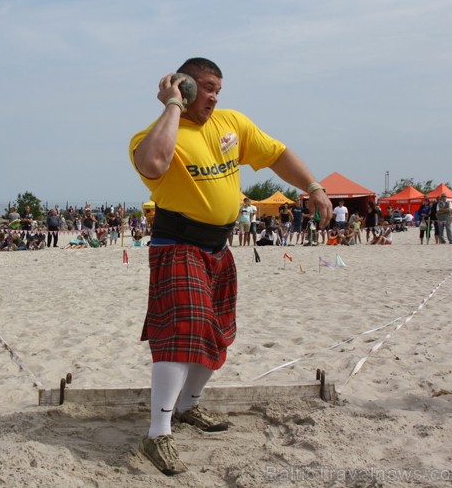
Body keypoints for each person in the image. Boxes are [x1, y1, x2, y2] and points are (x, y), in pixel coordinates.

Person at [128, 57, 332, 475]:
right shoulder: (151, 135)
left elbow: (276, 155)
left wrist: (313, 186)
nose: (214, 96)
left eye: (218, 88)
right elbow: (153, 165)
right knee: (182, 332)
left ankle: (187, 407)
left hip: (218, 248)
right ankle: (157, 434)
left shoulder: (232, 124)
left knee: (218, 332)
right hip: (177, 245)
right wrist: (171, 107)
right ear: (182, 86)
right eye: (205, 87)